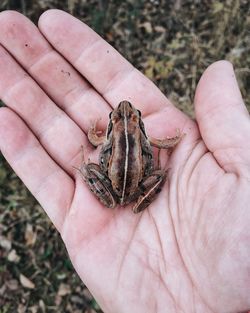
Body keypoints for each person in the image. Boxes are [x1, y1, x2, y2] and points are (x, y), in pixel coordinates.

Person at [0, 9, 249, 313]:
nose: (125, 113)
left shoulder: (107, 137)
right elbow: (160, 142)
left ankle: (103, 184)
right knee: (160, 174)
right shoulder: (146, 138)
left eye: (127, 116)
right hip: (135, 186)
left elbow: (94, 140)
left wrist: (96, 131)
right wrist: (173, 143)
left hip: (112, 186)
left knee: (89, 168)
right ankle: (140, 195)